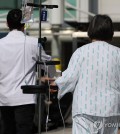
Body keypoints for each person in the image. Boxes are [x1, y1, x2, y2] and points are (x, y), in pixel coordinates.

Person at [51, 14, 120, 134]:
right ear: (111, 32)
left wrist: (55, 83)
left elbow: (69, 78)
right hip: (111, 109)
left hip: (85, 109)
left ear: (90, 31)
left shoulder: (81, 52)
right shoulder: (118, 53)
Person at [0, 9, 55, 134]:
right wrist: (53, 80)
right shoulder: (33, 43)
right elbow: (48, 63)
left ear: (7, 24)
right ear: (24, 24)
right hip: (25, 98)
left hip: (3, 99)